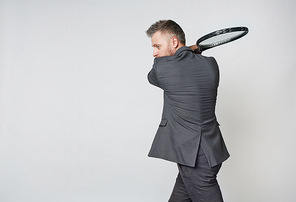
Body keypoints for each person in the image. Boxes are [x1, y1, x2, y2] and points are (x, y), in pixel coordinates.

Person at [146, 20, 230, 202]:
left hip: (194, 157)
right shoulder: (211, 65)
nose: (154, 52)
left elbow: (151, 77)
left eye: (157, 46)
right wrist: (190, 51)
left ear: (174, 42)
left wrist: (190, 49)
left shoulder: (161, 68)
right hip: (211, 151)